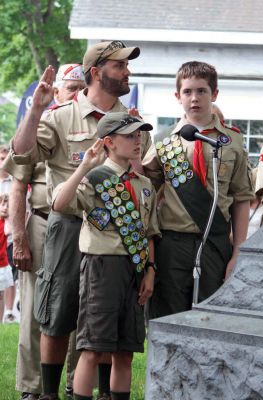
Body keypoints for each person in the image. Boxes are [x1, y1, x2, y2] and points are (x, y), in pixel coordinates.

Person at [11, 41, 151, 400]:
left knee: (106, 316)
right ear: (96, 72)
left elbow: (144, 181)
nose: (127, 72)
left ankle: (101, 393)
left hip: (115, 234)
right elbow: (21, 156)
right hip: (69, 226)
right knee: (57, 315)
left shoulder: (134, 122)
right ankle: (46, 394)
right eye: (120, 66)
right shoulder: (60, 116)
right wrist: (36, 111)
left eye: (126, 66)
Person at [53, 111, 159, 400]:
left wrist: (150, 269)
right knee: (93, 348)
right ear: (109, 142)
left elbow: (149, 231)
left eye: (139, 135)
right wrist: (84, 166)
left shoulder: (143, 184)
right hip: (102, 267)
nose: (138, 141)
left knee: (126, 352)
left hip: (135, 269)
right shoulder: (95, 178)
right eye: (130, 136)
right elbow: (60, 204)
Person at [143, 60, 254, 318]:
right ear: (177, 96)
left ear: (214, 94)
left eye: (202, 91)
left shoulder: (233, 141)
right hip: (172, 243)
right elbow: (145, 192)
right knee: (168, 317)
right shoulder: (164, 141)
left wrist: (238, 252)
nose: (195, 98)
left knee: (210, 318)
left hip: (215, 242)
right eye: (188, 91)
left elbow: (241, 199)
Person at [3, 63, 85, 400]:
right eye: (70, 88)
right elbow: (17, 186)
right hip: (40, 225)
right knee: (37, 310)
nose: (76, 94)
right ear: (57, 92)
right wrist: (19, 238)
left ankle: (73, 383)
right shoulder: (44, 126)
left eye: (82, 88)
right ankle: (32, 388)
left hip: (81, 227)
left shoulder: (90, 126)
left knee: (80, 310)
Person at [0, 145, 17, 323]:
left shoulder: (14, 182)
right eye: (0, 158)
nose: (2, 162)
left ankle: (9, 311)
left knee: (9, 274)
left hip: (10, 235)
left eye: (5, 158)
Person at [0, 194, 14, 323]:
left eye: (8, 206)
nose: (5, 208)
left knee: (1, 295)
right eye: (3, 204)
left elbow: (8, 231)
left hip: (1, 265)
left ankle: (0, 321)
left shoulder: (5, 223)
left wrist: (9, 216)